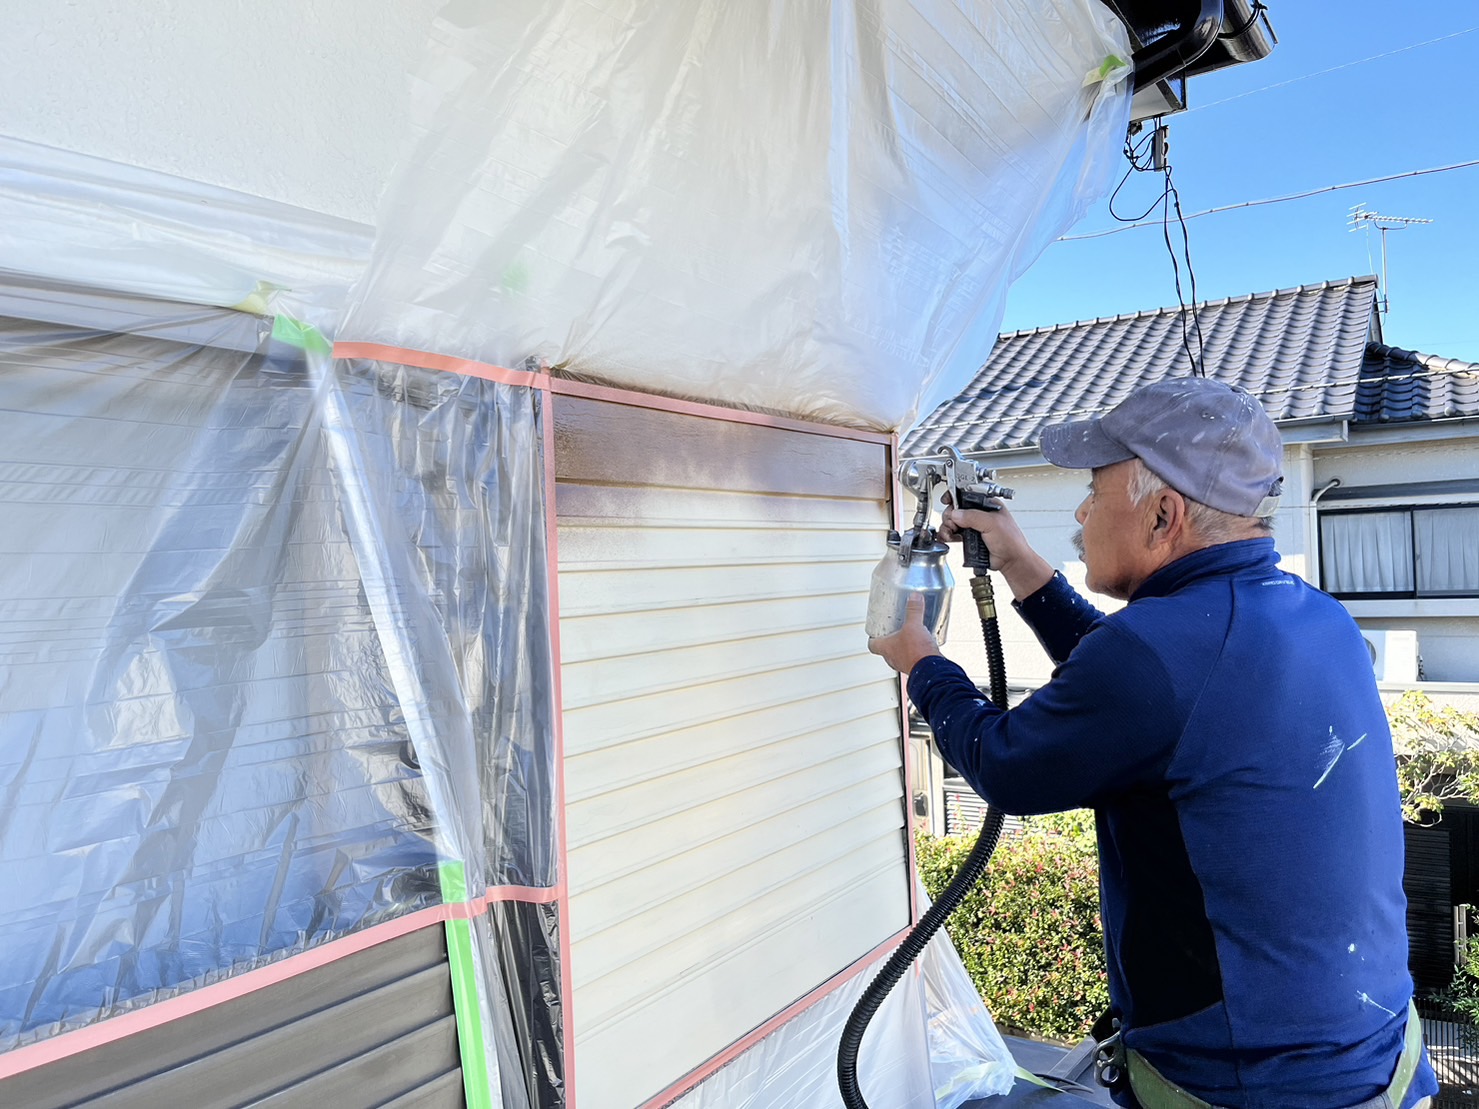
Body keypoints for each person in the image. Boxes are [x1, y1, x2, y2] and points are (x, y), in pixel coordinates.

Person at [870, 377, 1437, 1109]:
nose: (1079, 510)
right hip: (1378, 1057)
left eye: (1095, 490)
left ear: (1162, 513)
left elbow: (1008, 764)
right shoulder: (1314, 618)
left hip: (1252, 1087)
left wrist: (920, 661)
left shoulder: (1160, 654)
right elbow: (1149, 685)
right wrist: (1017, 561)